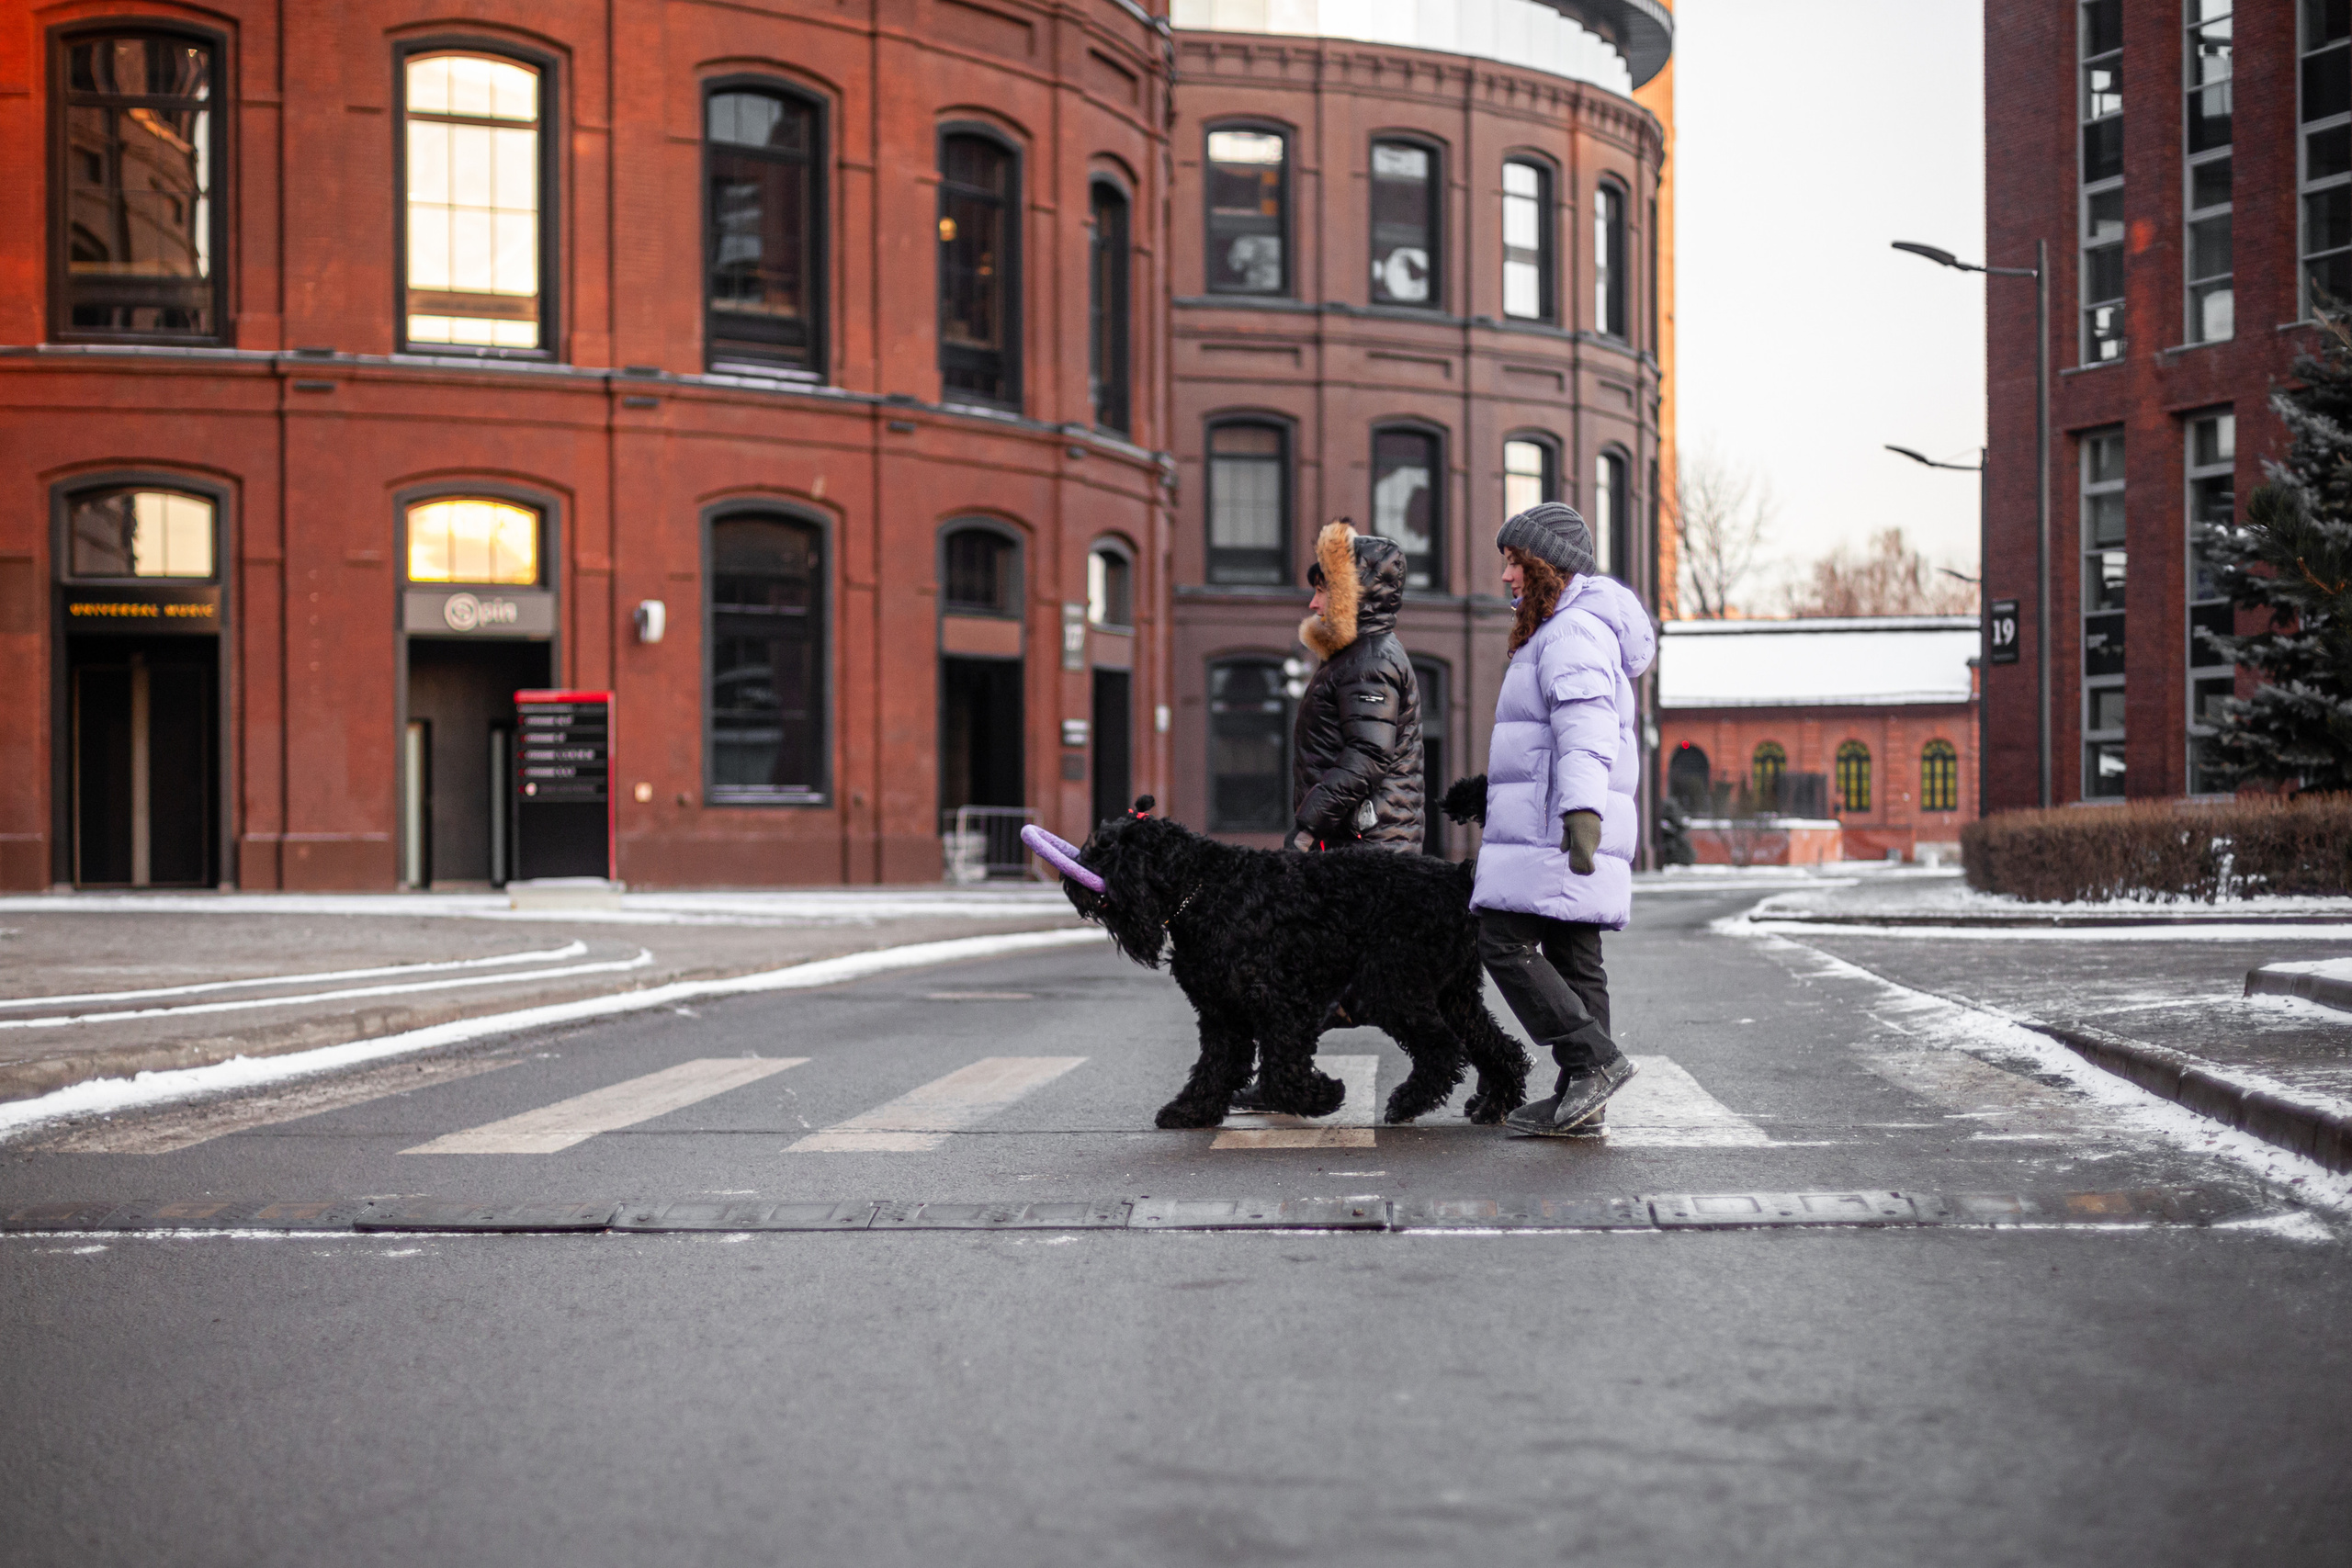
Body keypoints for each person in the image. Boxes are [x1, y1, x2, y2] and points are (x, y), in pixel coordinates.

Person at [1470, 502, 1656, 1137]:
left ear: (1546, 565)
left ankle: (1594, 1061)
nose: (1506, 577)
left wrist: (1580, 810)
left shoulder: (1571, 633)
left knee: (1500, 935)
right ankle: (1582, 1100)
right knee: (1575, 954)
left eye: (1515, 562)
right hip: (1558, 818)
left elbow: (1585, 729)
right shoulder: (1569, 627)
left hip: (1560, 822)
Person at [1230, 519, 1425, 1113]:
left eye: (1324, 591)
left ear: (1354, 596)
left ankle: (1287, 1079)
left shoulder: (1369, 661)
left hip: (1364, 848)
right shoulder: (1354, 657)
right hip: (1358, 844)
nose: (1312, 601)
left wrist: (1309, 824)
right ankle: (1284, 1077)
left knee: (1316, 975)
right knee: (1319, 973)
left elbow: (1367, 754)